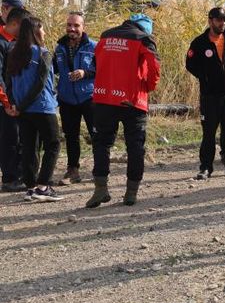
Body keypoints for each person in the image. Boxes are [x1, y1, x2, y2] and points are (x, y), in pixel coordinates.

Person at [85, 13, 160, 207]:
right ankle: (131, 193)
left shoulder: (105, 36)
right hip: (132, 101)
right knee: (135, 146)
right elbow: (154, 65)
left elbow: (95, 64)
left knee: (101, 144)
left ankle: (100, 189)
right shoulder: (143, 39)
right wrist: (148, 87)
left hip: (103, 98)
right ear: (146, 28)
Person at [185, 7, 225, 179]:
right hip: (210, 95)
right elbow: (190, 64)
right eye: (218, 20)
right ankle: (206, 167)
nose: (222, 23)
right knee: (209, 133)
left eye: (224, 20)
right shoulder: (199, 42)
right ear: (210, 21)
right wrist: (206, 77)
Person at [4, 17, 63, 202]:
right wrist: (20, 105)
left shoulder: (13, 53)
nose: (44, 32)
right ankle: (43, 186)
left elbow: (8, 83)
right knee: (53, 144)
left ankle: (30, 188)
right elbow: (40, 84)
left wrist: (14, 105)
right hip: (42, 107)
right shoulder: (43, 53)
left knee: (29, 147)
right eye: (42, 29)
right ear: (35, 31)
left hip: (23, 110)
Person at [53, 11, 97, 184]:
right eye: (69, 25)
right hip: (66, 98)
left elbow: (103, 70)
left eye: (76, 25)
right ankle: (73, 171)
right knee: (71, 136)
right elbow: (53, 69)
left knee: (96, 135)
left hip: (89, 97)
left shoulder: (94, 47)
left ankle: (100, 171)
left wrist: (85, 73)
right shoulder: (59, 48)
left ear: (83, 27)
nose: (72, 28)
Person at [0, 6, 28, 192]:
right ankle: (10, 179)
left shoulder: (14, 42)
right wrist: (7, 103)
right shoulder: (1, 43)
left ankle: (20, 175)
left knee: (18, 138)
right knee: (9, 140)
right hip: (5, 103)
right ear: (15, 24)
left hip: (16, 101)